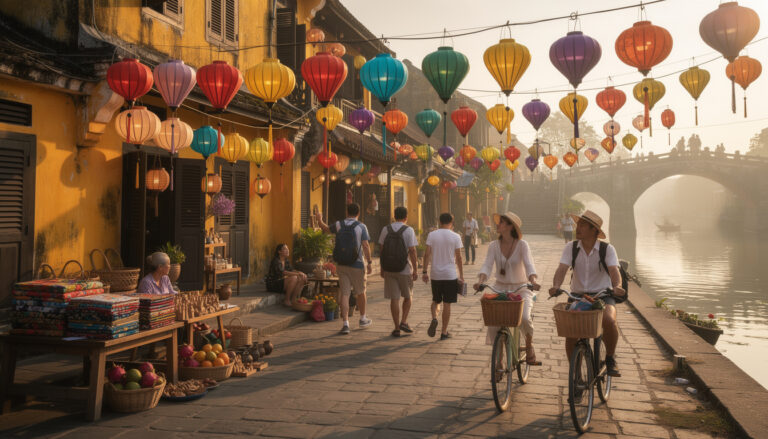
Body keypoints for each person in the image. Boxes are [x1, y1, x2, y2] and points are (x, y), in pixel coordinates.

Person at [548, 210, 626, 377]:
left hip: (603, 295)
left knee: (609, 320)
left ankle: (610, 358)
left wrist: (617, 285)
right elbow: (562, 268)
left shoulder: (607, 249)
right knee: (571, 333)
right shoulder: (571, 247)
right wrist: (556, 286)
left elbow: (614, 270)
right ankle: (575, 373)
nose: (578, 228)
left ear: (594, 230)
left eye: (583, 225)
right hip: (577, 295)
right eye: (579, 224)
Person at [474, 212, 542, 365]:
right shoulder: (493, 245)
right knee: (494, 320)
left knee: (524, 317)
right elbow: (487, 265)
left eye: (502, 222)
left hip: (521, 287)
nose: (498, 224)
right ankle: (498, 358)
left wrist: (533, 280)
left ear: (511, 226)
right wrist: (481, 280)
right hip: (500, 288)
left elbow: (529, 265)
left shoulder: (522, 245)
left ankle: (529, 345)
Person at [316, 203, 373, 334]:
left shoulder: (339, 224)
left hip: (341, 264)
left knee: (345, 294)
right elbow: (365, 245)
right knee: (360, 292)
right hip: (357, 264)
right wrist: (369, 262)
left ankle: (345, 323)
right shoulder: (361, 226)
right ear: (358, 213)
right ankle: (363, 318)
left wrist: (319, 219)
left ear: (347, 212)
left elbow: (325, 229)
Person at [422, 213, 464, 340]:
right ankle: (444, 332)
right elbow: (459, 257)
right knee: (447, 304)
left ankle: (434, 318)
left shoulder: (432, 235)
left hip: (436, 274)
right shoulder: (456, 236)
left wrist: (424, 271)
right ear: (452, 222)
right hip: (450, 275)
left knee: (436, 300)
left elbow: (427, 254)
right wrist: (461, 275)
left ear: (439, 221)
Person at [378, 207, 419, 337]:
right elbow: (412, 251)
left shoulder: (386, 229)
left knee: (394, 298)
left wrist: (382, 267)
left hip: (389, 268)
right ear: (406, 217)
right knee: (408, 296)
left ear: (394, 216)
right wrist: (416, 269)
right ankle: (404, 321)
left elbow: (382, 250)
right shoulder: (409, 230)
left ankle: (396, 328)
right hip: (404, 269)